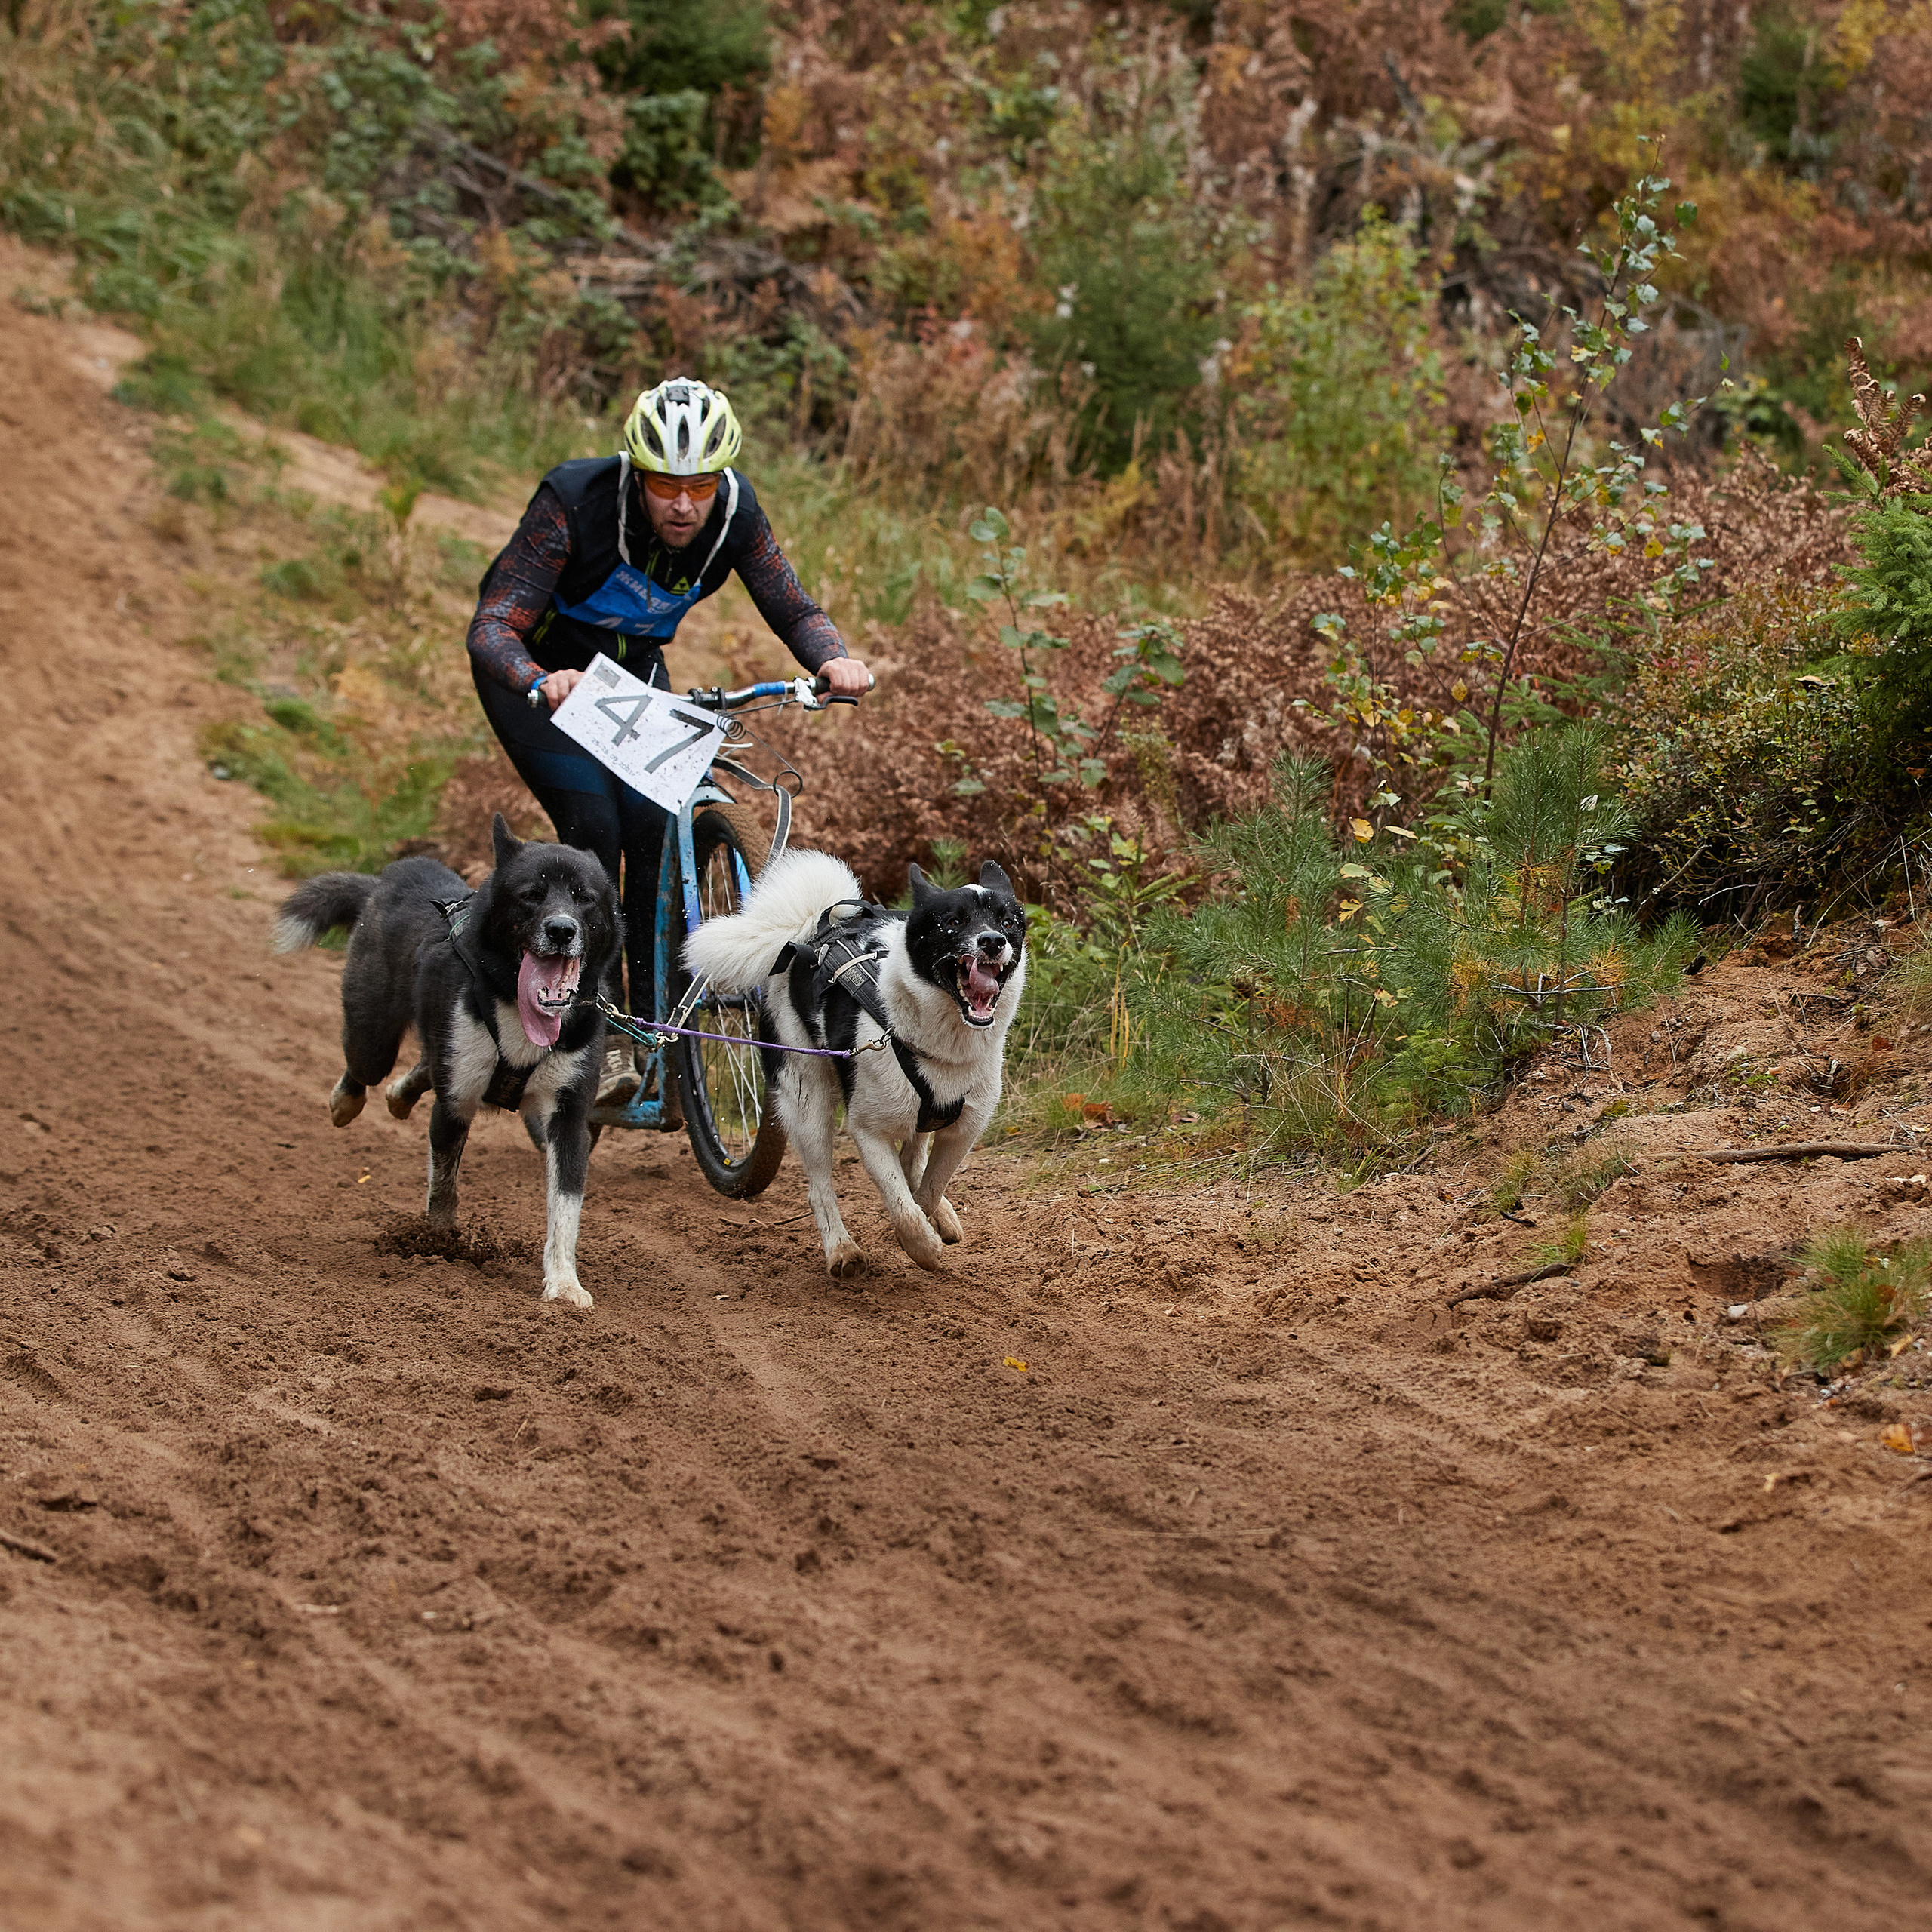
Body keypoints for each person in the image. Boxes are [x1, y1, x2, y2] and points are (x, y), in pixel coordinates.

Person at [466, 377, 871, 1106]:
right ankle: (601, 1033)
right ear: (635, 475)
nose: (684, 505)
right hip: (542, 675)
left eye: (701, 485)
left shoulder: (735, 513)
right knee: (595, 828)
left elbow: (790, 602)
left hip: (631, 680)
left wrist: (830, 657)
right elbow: (493, 623)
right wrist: (537, 676)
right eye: (664, 485)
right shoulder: (574, 502)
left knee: (656, 829)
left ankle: (660, 1031)